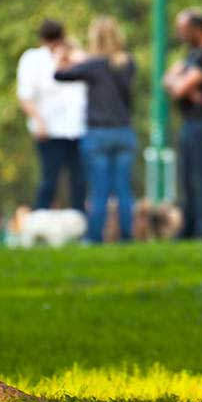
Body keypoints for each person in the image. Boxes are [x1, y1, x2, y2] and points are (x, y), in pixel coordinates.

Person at [55, 16, 137, 243]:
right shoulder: (127, 63)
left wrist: (63, 57)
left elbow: (60, 75)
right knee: (123, 189)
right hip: (123, 131)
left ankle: (94, 236)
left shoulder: (93, 65)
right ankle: (127, 235)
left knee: (99, 190)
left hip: (98, 132)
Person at [164, 9, 202, 239]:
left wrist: (181, 86)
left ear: (198, 29)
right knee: (187, 178)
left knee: (201, 177)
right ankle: (189, 227)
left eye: (184, 29)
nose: (180, 34)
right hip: (191, 121)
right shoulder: (194, 54)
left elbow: (179, 87)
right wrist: (184, 88)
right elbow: (169, 80)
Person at [16, 20, 88, 213]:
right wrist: (39, 122)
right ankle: (41, 219)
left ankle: (79, 221)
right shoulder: (33, 59)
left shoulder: (75, 57)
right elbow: (25, 95)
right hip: (49, 129)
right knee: (49, 180)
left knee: (79, 181)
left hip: (77, 128)